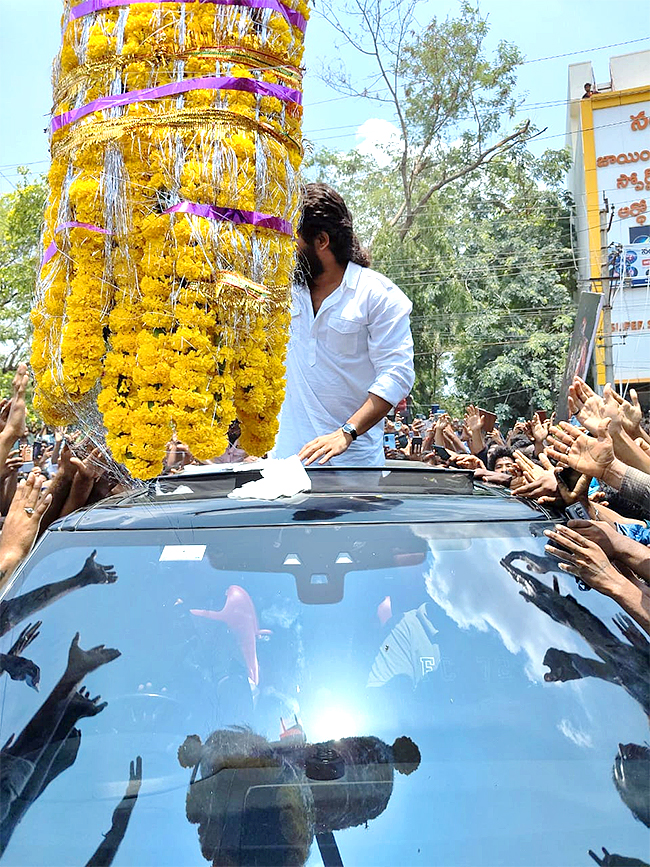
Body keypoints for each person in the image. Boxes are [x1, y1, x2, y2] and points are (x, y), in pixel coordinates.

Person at [273, 183, 414, 467]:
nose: (284, 249)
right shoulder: (280, 293)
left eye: (291, 239)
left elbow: (397, 375)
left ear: (321, 241)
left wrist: (346, 433)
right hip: (284, 465)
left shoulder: (378, 295)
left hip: (353, 468)